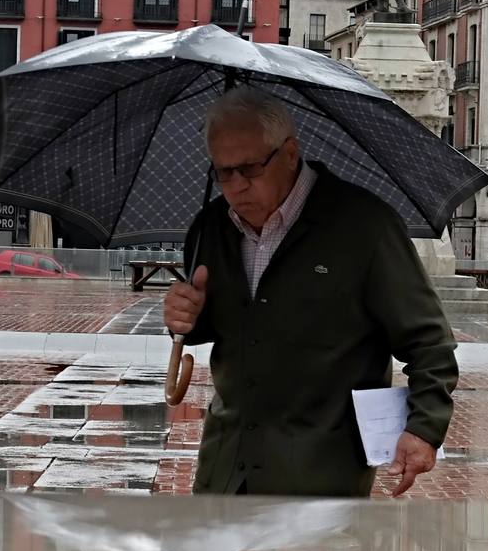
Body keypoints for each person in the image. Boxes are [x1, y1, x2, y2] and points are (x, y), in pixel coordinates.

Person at [163, 88, 458, 498]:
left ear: (289, 154)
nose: (235, 186)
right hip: (226, 470)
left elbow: (429, 344)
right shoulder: (209, 227)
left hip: (322, 476)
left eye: (249, 169)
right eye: (223, 172)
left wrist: (423, 429)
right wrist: (184, 319)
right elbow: (215, 327)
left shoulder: (364, 227)